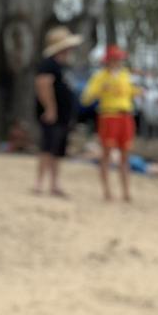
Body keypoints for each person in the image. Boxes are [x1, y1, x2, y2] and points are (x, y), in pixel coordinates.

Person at [81, 45, 141, 202]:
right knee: (106, 154)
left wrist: (137, 91)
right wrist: (100, 89)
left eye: (120, 59)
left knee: (125, 155)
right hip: (108, 116)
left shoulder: (125, 75)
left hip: (125, 116)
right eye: (115, 59)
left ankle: (126, 191)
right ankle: (107, 191)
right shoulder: (100, 76)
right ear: (108, 61)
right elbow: (86, 98)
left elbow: (129, 92)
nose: (118, 61)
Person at [33, 26, 83, 197]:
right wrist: (50, 109)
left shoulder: (63, 66)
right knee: (47, 148)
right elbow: (43, 86)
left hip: (63, 116)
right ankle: (39, 183)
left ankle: (54, 183)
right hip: (53, 115)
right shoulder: (48, 65)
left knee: (58, 150)